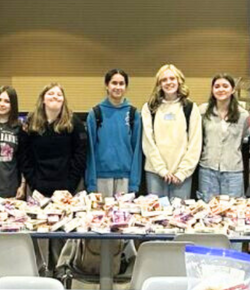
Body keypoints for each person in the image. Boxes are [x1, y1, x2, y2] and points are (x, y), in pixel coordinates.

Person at [141, 64, 202, 200]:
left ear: (179, 81)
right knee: (155, 216)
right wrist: (161, 170)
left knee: (180, 218)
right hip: (155, 173)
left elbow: (195, 144)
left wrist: (182, 172)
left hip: (181, 176)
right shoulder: (149, 108)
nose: (168, 82)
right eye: (164, 80)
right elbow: (148, 141)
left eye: (172, 78)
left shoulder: (190, 108)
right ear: (159, 84)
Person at [18, 84, 88, 197]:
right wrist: (33, 183)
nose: (55, 96)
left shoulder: (75, 123)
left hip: (68, 188)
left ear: (63, 100)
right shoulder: (30, 122)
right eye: (50, 93)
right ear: (43, 99)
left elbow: (81, 155)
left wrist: (71, 185)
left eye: (59, 94)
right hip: (37, 189)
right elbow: (24, 155)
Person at [84, 69, 142, 197]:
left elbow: (137, 150)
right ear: (106, 85)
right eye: (114, 83)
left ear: (126, 87)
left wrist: (134, 182)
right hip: (101, 178)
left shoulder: (133, 114)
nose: (117, 87)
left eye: (121, 84)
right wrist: (91, 182)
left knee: (124, 217)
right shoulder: (95, 113)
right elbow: (90, 152)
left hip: (125, 179)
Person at [197, 74, 250, 201]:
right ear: (212, 90)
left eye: (225, 86)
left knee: (233, 210)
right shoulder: (202, 111)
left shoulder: (243, 115)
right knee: (207, 209)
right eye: (217, 86)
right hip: (208, 168)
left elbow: (244, 137)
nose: (221, 89)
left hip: (233, 171)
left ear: (232, 89)